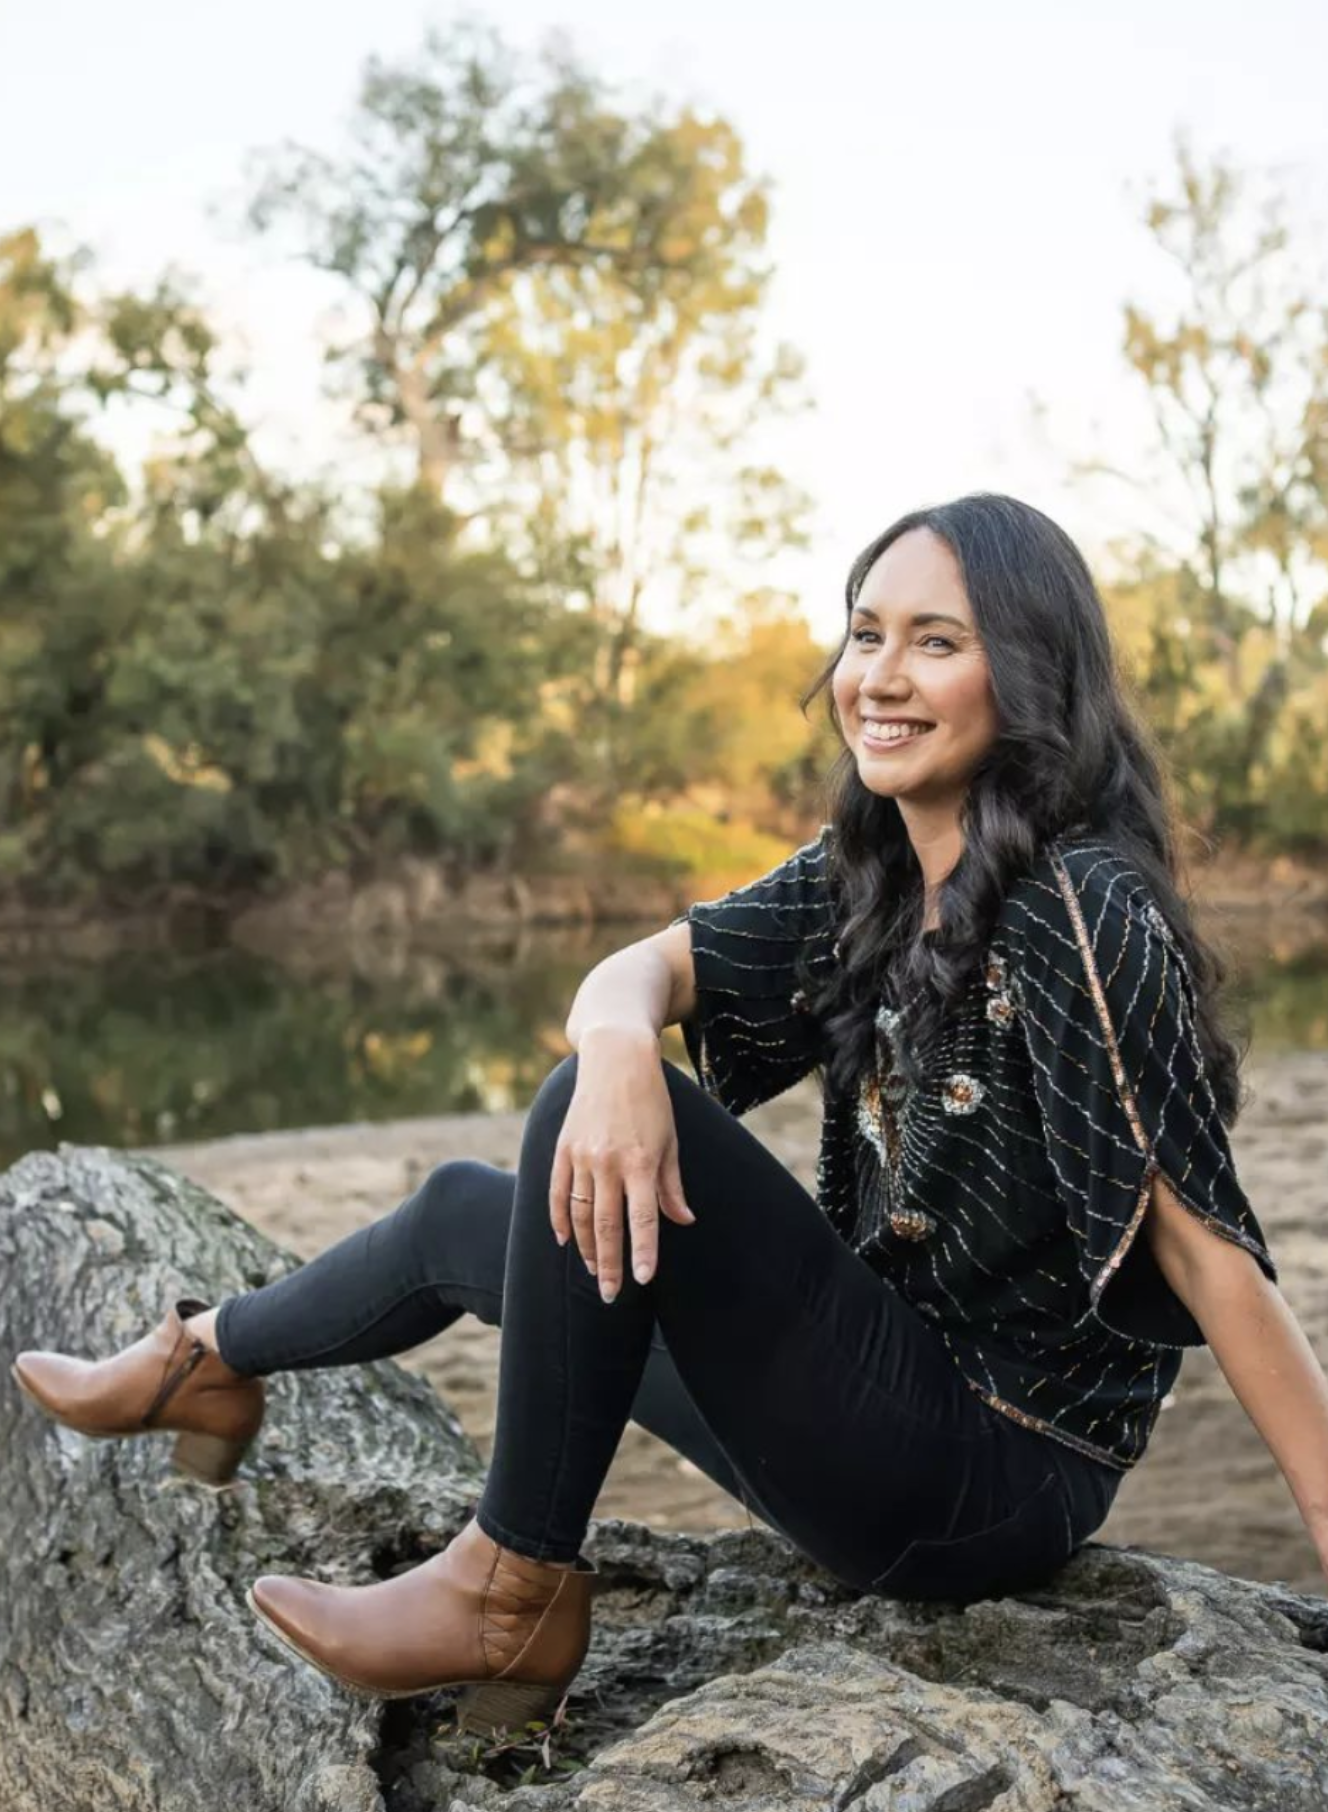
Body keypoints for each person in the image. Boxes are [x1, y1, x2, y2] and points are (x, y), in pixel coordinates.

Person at [13, 493, 1328, 1739]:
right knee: (483, 1207)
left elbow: (1208, 1250)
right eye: (866, 632)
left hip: (986, 1474)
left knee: (596, 1125)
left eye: (938, 642)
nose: (879, 674)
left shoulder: (1082, 907)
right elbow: (632, 974)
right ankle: (205, 1364)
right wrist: (620, 1042)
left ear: (1032, 677)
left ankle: (509, 1586)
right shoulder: (869, 869)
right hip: (864, 1417)